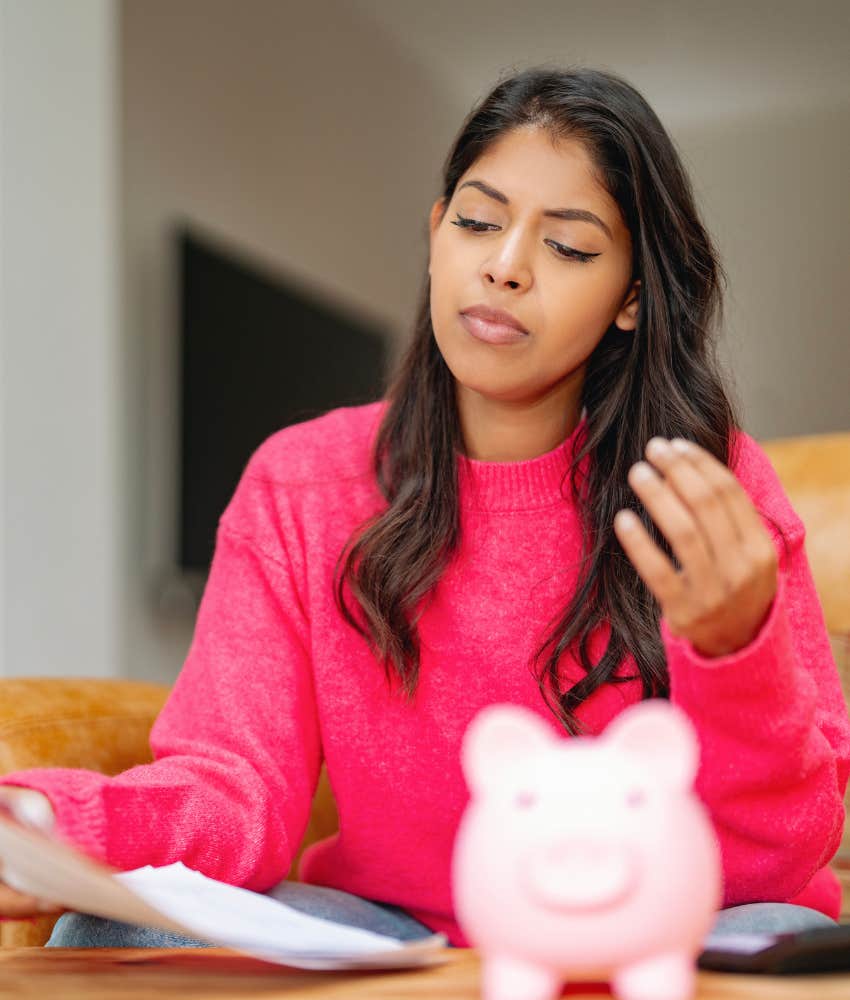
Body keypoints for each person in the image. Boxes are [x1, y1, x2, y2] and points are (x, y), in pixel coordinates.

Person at [1, 65, 848, 950]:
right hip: (392, 931)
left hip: (654, 922)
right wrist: (52, 827)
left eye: (568, 247)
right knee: (115, 933)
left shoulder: (710, 489)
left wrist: (733, 650)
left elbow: (772, 862)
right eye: (479, 223)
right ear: (436, 235)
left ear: (631, 296)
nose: (506, 267)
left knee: (782, 942)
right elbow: (232, 790)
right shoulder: (300, 483)